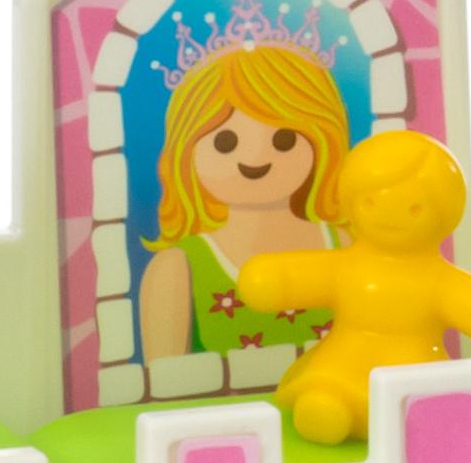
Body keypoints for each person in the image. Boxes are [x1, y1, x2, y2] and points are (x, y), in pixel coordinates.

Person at [133, 39, 353, 368]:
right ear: (187, 151)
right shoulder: (177, 268)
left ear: (323, 141)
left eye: (284, 139)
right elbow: (163, 383)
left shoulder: (346, 246)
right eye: (225, 142)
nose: (256, 156)